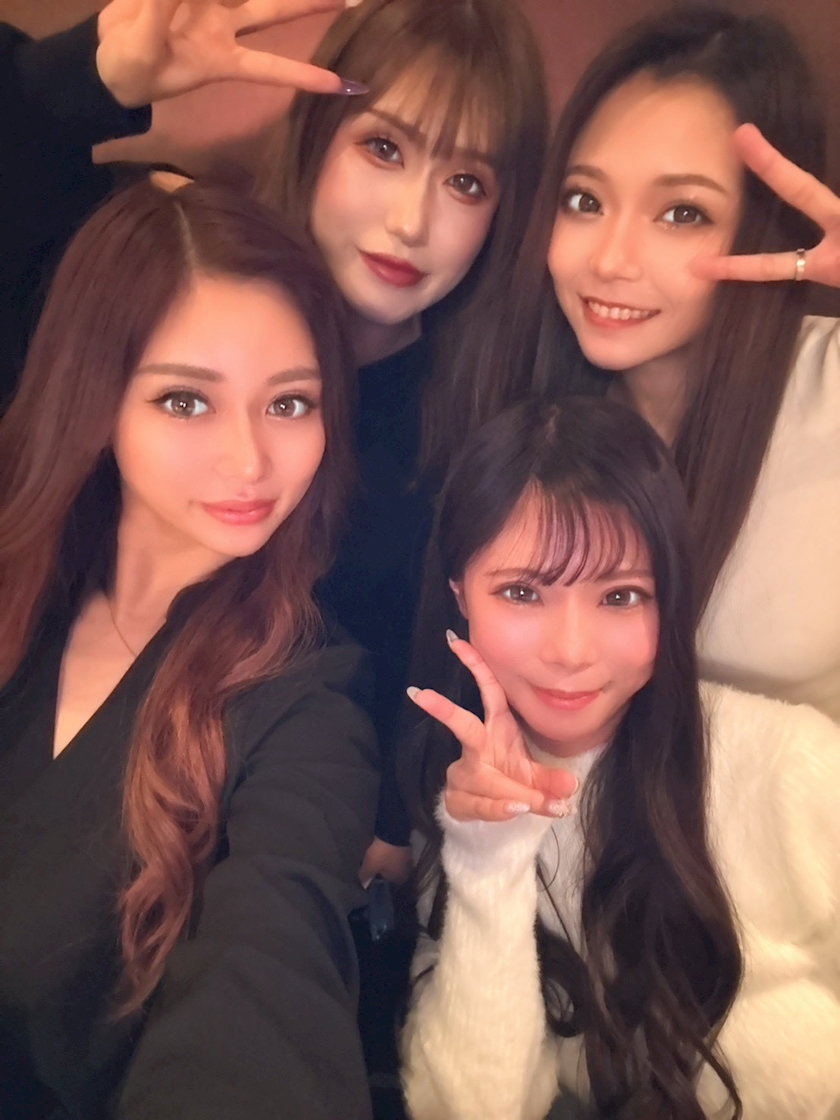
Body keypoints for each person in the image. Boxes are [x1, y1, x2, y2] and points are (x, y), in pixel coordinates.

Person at [1, 0, 550, 871]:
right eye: (384, 147)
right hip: (63, 776)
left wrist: (399, 825)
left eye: (466, 183)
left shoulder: (482, 432)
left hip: (290, 843)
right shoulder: (174, 267)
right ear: (316, 137)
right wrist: (89, 80)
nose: (413, 220)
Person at [0, 179, 379, 1120]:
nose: (249, 461)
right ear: (95, 402)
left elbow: (272, 977)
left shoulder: (308, 702)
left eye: (290, 404)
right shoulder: (24, 583)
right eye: (185, 400)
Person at [400, 397, 840, 1120]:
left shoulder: (792, 768)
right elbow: (474, 1106)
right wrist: (490, 853)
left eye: (621, 596)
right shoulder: (457, 799)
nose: (572, 651)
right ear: (460, 597)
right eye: (522, 592)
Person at [481, 8, 840, 722]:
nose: (610, 260)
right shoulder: (521, 400)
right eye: (584, 201)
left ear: (764, 226)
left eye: (682, 213)